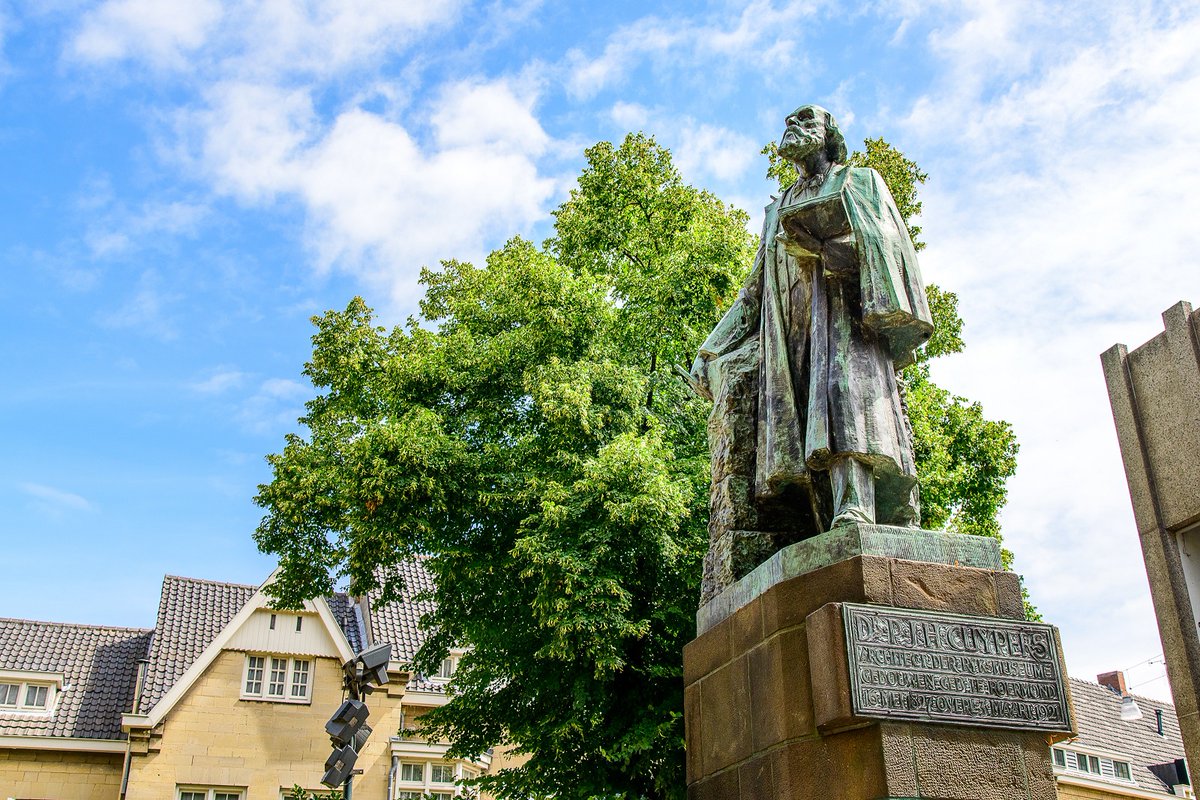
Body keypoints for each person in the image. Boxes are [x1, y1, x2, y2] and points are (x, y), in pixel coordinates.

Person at [689, 104, 933, 603]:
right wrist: (710, 350)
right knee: (807, 429)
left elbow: (891, 250)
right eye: (787, 123)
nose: (791, 128)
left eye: (805, 121)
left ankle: (857, 507)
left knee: (844, 405)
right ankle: (823, 521)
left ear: (829, 134)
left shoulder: (860, 182)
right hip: (792, 334)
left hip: (843, 323)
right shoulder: (777, 209)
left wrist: (827, 249)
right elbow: (753, 291)